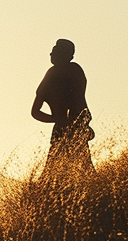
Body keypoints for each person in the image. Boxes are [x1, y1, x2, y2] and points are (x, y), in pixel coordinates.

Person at [31, 38, 95, 180]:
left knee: (77, 173)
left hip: (72, 129)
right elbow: (35, 112)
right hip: (68, 130)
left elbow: (78, 101)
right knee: (60, 175)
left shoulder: (72, 70)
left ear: (67, 55)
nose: (50, 54)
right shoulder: (56, 74)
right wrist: (59, 120)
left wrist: (65, 121)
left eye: (55, 51)